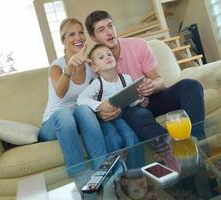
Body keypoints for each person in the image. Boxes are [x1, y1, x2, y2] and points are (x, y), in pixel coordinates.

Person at [84, 10, 205, 141]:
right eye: (101, 30)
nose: (109, 32)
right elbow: (89, 99)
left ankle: (198, 141)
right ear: (93, 37)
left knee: (191, 85)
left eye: (110, 25)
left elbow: (159, 81)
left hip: (154, 98)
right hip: (131, 109)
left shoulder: (139, 45)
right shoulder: (93, 64)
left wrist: (152, 85)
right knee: (138, 115)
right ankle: (171, 147)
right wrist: (100, 112)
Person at [38, 18, 107, 176]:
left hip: (77, 119)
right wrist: (69, 67)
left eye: (81, 33)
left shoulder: (90, 65)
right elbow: (60, 93)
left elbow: (97, 94)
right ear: (63, 40)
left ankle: (103, 172)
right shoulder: (57, 67)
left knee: (84, 109)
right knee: (64, 115)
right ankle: (80, 176)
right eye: (71, 34)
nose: (78, 38)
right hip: (53, 123)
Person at [77, 44, 146, 153]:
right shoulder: (97, 83)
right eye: (101, 57)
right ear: (95, 68)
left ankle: (136, 169)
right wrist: (99, 105)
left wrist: (140, 99)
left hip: (120, 117)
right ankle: (116, 169)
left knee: (131, 138)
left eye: (109, 54)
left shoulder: (126, 78)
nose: (107, 57)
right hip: (104, 120)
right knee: (113, 138)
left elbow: (130, 102)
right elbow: (81, 99)